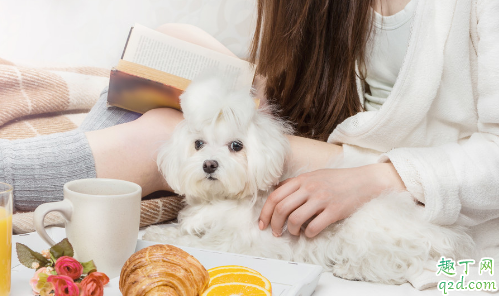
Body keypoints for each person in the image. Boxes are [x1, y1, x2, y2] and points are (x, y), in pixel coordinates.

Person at [1, 0, 498, 251]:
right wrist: (259, 88)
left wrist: (383, 179)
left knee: (163, 131)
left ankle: (14, 176)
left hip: (402, 170)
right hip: (335, 137)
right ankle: (56, 168)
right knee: (174, 41)